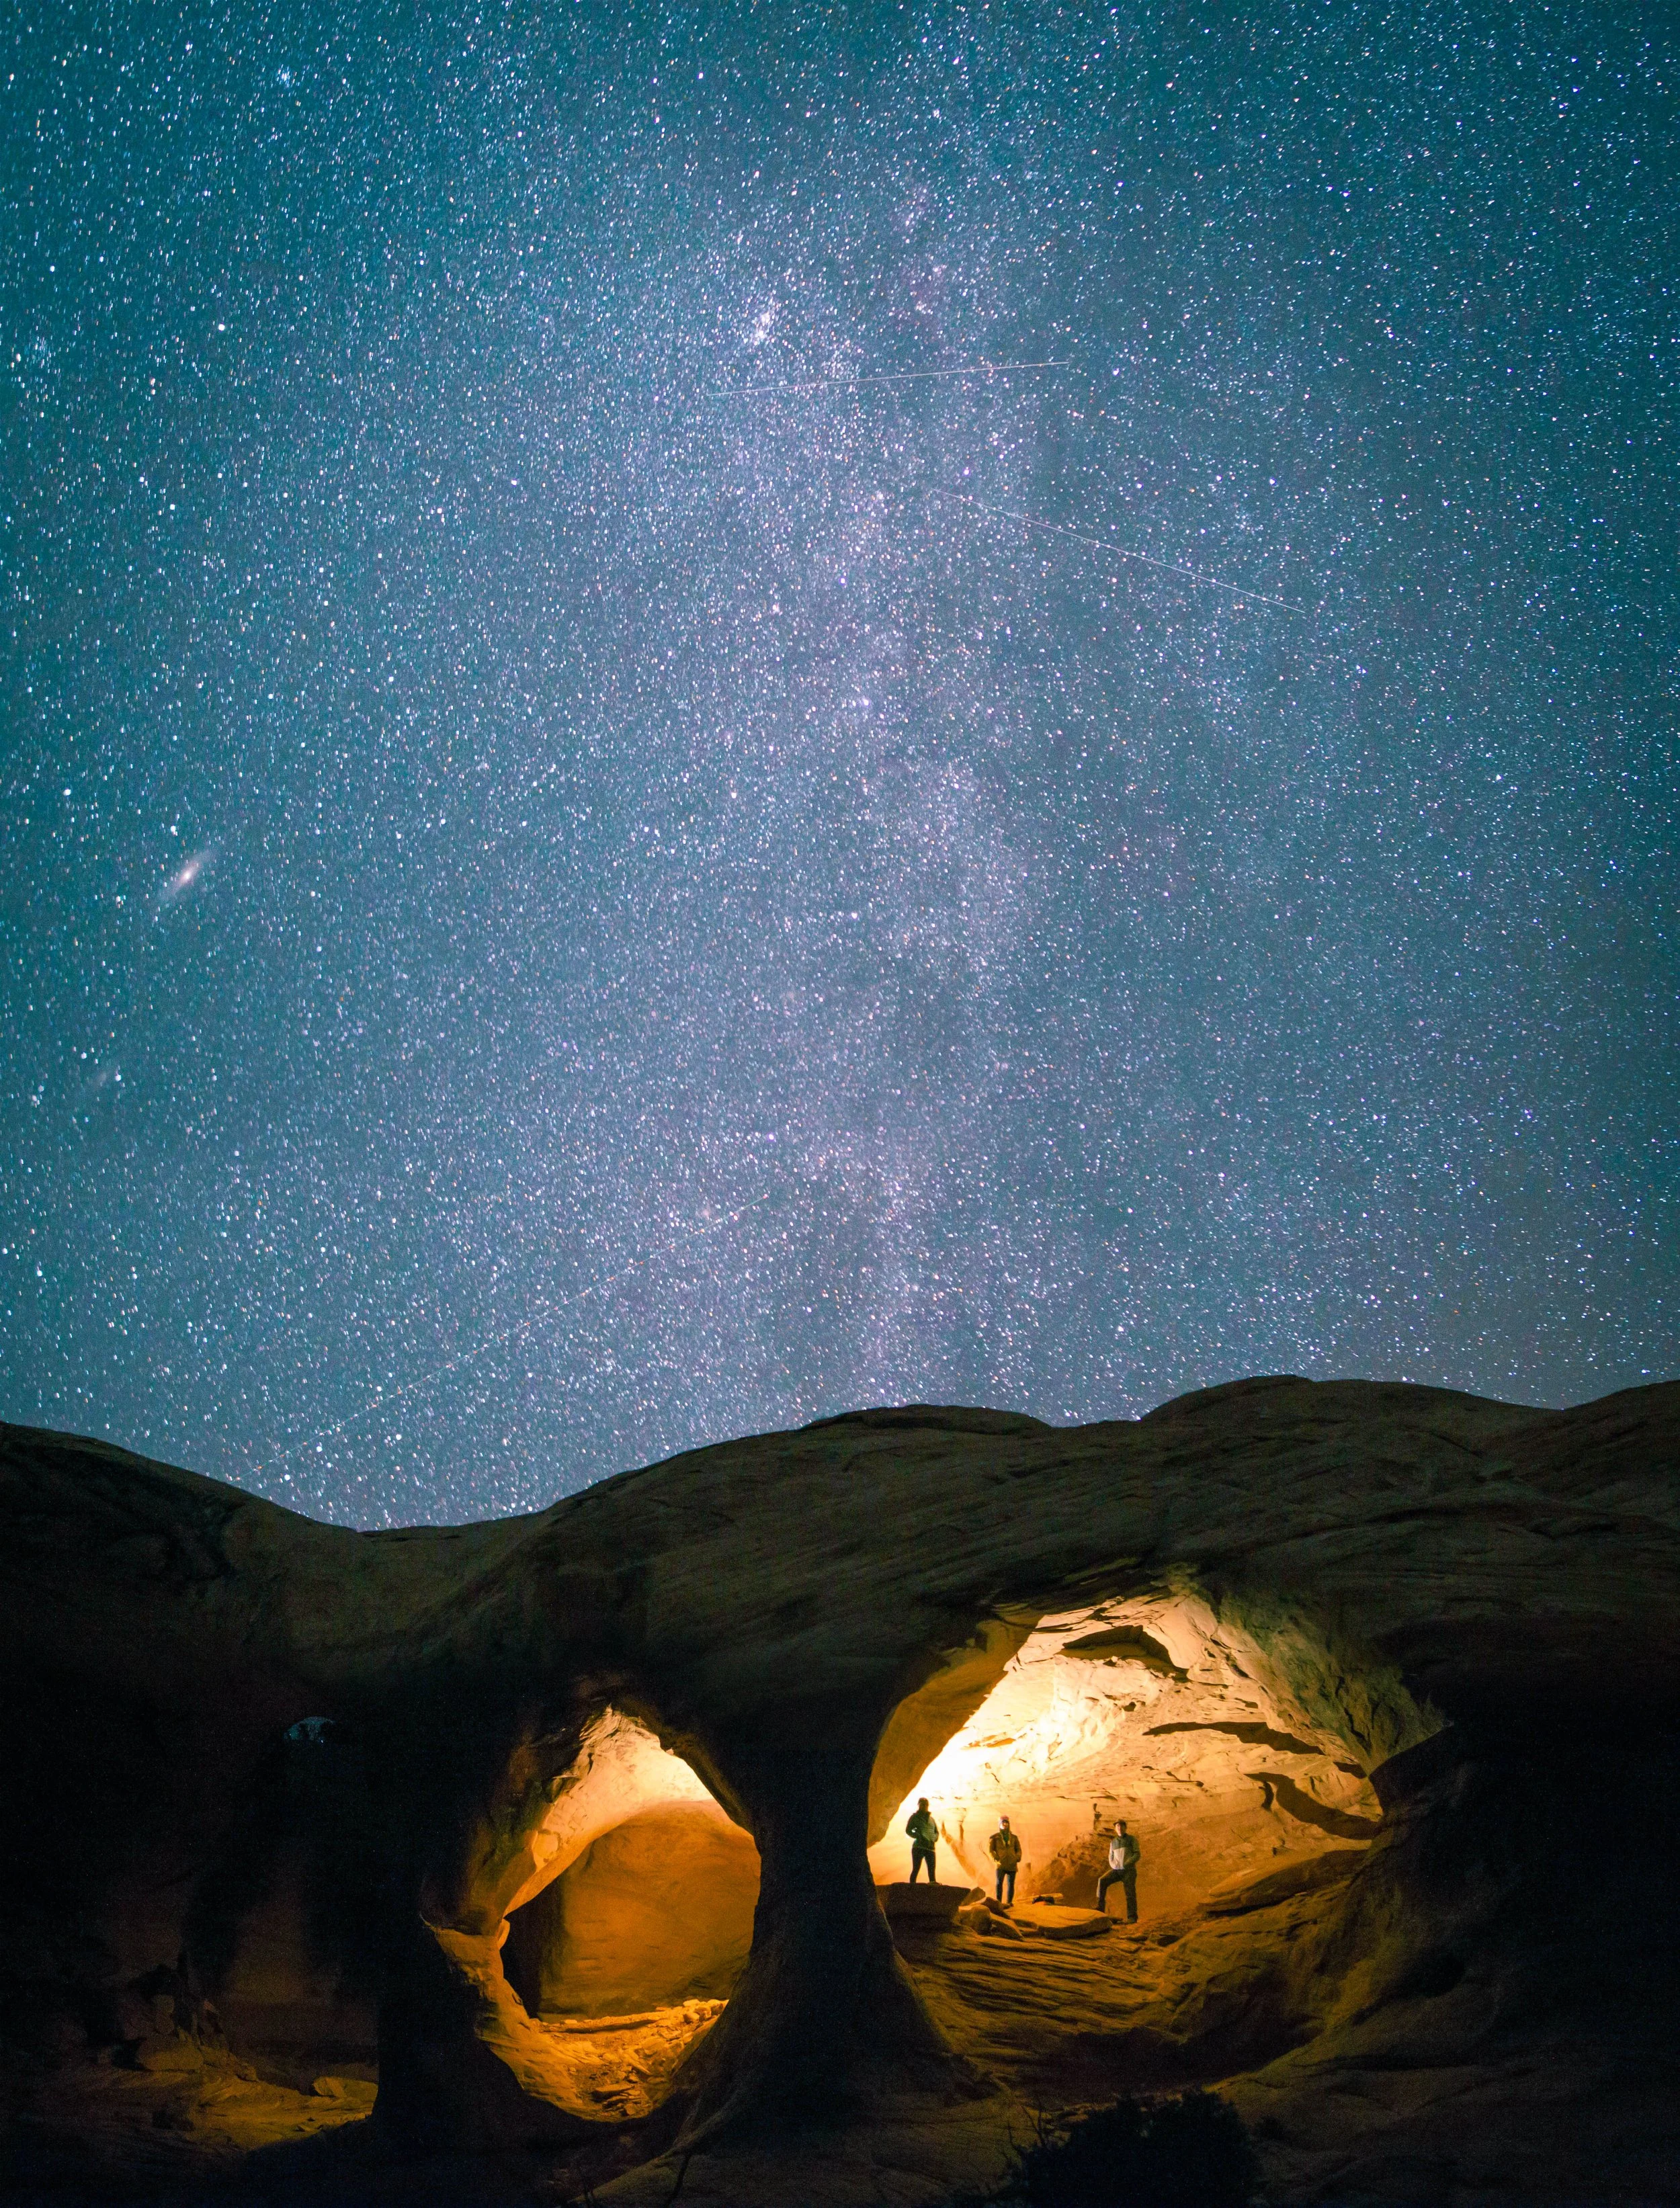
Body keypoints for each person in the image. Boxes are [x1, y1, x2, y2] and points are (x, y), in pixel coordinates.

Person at [1096, 1818, 1140, 1921]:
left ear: (1125, 1827)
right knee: (1102, 1881)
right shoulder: (1113, 1842)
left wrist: (1127, 1863)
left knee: (1130, 1894)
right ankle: (1100, 1909)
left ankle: (1132, 1918)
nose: (1119, 1828)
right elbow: (1110, 1856)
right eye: (1117, 1826)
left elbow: (1137, 1854)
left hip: (1129, 1871)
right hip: (1117, 1870)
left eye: (1121, 1826)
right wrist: (1114, 1865)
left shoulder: (1132, 1839)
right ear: (1115, 1829)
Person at [989, 1814, 1023, 1906]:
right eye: (1003, 1823)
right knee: (999, 1884)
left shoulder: (1014, 1838)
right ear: (999, 1824)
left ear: (1009, 1824)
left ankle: (1009, 1903)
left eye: (1006, 1823)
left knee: (1011, 1884)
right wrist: (996, 1858)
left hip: (1012, 1864)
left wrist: (1017, 1857)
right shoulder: (995, 1838)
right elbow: (991, 1850)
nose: (1004, 1825)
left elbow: (1018, 1849)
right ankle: (999, 1902)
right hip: (1001, 1864)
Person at [905, 1797, 939, 1884]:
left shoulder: (932, 1820)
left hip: (930, 1848)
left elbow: (936, 1831)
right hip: (919, 1847)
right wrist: (917, 1836)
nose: (924, 1806)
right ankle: (912, 1887)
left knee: (932, 1871)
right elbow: (908, 1830)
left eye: (926, 1805)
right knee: (916, 1869)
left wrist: (934, 1838)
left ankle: (933, 1889)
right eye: (922, 1805)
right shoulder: (915, 1817)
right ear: (919, 1805)